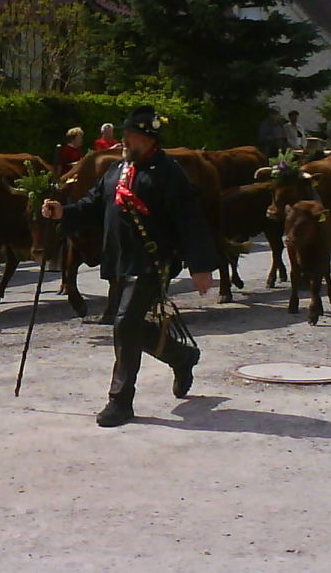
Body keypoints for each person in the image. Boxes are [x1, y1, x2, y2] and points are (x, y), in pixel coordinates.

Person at [41, 105, 218, 428]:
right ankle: (182, 356)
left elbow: (190, 221)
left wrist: (200, 265)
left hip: (152, 262)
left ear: (149, 139)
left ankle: (120, 401)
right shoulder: (115, 171)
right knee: (134, 326)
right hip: (119, 261)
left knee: (124, 323)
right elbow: (91, 206)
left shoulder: (169, 173)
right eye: (124, 135)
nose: (124, 141)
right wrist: (62, 212)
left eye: (131, 136)